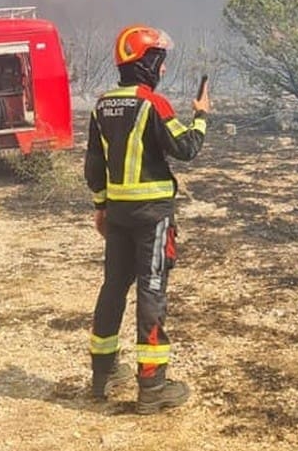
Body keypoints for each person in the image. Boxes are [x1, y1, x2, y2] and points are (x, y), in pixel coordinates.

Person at [84, 24, 209, 414]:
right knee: (151, 292)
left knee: (113, 288)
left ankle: (102, 375)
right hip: (153, 216)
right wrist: (201, 116)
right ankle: (152, 388)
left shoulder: (101, 105)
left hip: (117, 213)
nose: (163, 69)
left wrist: (101, 207)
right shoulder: (153, 104)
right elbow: (186, 147)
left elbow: (94, 167)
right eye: (160, 61)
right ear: (146, 63)